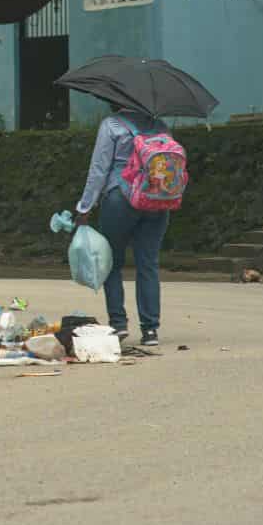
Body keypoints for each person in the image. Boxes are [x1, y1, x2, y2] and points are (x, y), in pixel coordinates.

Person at [75, 104, 171, 347]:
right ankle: (150, 331)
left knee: (112, 262)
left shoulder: (112, 125)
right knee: (148, 264)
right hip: (157, 199)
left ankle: (118, 324)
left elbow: (99, 169)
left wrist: (85, 207)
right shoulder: (160, 125)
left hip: (121, 199)